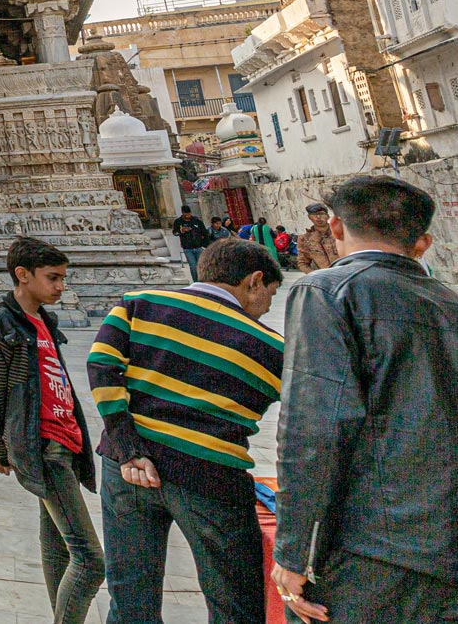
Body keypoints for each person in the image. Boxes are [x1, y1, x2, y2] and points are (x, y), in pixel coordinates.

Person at [272, 176, 458, 622]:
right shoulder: (447, 302)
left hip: (373, 547)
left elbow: (314, 429)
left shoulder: (327, 291)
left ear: (335, 228)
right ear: (424, 241)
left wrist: (296, 552)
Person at [87, 238, 285, 624]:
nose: (267, 307)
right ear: (255, 281)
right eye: (270, 295)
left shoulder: (138, 303)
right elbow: (303, 421)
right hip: (210, 477)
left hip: (126, 469)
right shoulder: (269, 345)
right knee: (234, 603)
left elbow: (102, 367)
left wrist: (129, 448)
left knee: (130, 597)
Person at [0, 237, 103, 624]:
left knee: (60, 547)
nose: (61, 286)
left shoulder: (44, 319)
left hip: (63, 440)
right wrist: (3, 447)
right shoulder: (1, 321)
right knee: (91, 560)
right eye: (53, 277)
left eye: (63, 277)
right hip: (44, 447)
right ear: (22, 276)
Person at [294, 202, 338, 274]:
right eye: (314, 214)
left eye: (321, 214)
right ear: (309, 217)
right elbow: (302, 263)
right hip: (324, 278)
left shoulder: (339, 232)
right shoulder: (305, 239)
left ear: (327, 216)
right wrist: (316, 275)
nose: (318, 217)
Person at [170, 208, 213, 278]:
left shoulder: (197, 221)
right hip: (187, 248)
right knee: (193, 266)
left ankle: (203, 280)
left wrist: (204, 245)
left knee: (201, 265)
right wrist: (181, 231)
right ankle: (196, 281)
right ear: (183, 213)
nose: (188, 215)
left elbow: (205, 233)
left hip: (199, 246)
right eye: (186, 214)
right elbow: (175, 232)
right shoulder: (178, 222)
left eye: (189, 213)